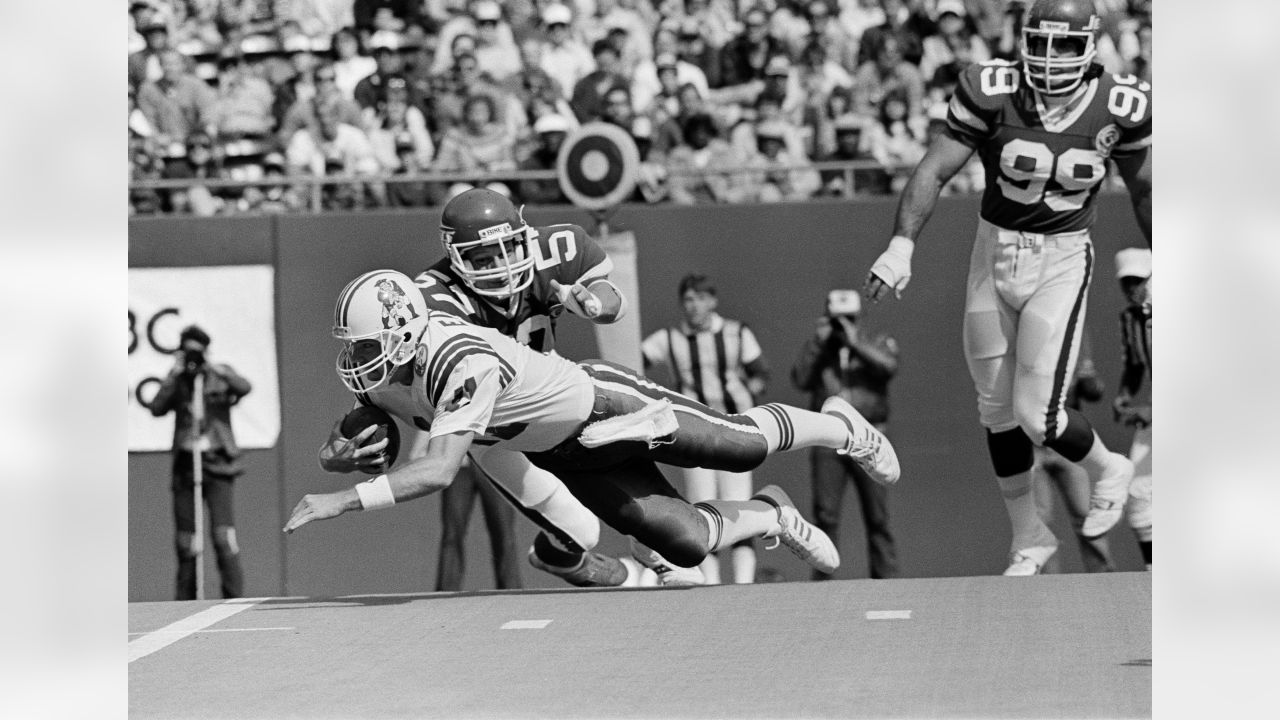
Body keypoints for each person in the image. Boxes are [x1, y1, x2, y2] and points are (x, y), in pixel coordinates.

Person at [286, 270, 904, 585]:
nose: (358, 356)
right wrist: (333, 458)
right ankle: (773, 516)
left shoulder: (459, 359)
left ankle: (841, 428)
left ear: (402, 328)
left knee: (739, 446)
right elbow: (356, 439)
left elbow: (441, 469)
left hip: (605, 408)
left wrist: (339, 501)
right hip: (563, 455)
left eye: (367, 341)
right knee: (684, 543)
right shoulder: (387, 372)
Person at [861, 0, 1151, 575]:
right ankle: (1029, 536)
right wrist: (901, 244)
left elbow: (1145, 191)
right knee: (994, 408)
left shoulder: (1120, 104)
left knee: (1037, 412)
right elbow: (934, 168)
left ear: (1091, 46)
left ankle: (1109, 468)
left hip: (1063, 257)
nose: (1051, 57)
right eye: (1041, 42)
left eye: (1065, 45)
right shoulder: (992, 87)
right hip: (993, 249)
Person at [320, 189, 639, 587]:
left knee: (626, 446)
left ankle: (657, 552)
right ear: (456, 256)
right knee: (577, 530)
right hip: (486, 433)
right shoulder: (431, 299)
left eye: (505, 249)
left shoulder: (559, 248)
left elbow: (609, 296)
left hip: (543, 402)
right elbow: (395, 373)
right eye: (482, 257)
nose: (498, 266)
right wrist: (353, 443)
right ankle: (541, 566)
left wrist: (594, 303)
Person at [641, 274, 771, 584]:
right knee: (702, 507)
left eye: (700, 298)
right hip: (693, 432)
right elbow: (632, 362)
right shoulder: (669, 338)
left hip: (734, 429)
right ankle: (711, 583)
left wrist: (746, 398)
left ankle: (743, 583)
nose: (694, 306)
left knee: (738, 506)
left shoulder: (736, 333)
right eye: (688, 299)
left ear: (712, 301)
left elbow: (760, 373)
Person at [791, 289, 900, 580]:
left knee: (878, 518)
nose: (843, 325)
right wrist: (818, 342)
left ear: (859, 317)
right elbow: (800, 378)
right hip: (828, 440)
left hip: (869, 438)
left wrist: (855, 343)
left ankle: (886, 583)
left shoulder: (876, 341)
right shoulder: (820, 349)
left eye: (848, 318)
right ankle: (822, 585)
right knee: (825, 517)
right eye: (837, 320)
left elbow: (889, 366)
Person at [147, 325, 253, 600]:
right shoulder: (179, 380)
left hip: (217, 463)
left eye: (198, 351)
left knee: (222, 536)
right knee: (187, 542)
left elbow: (244, 387)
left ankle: (233, 600)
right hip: (186, 463)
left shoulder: (218, 375)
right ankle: (185, 604)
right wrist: (174, 374)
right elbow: (157, 408)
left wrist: (213, 367)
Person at [1031, 334, 1116, 573]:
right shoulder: (1022, 341)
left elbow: (1093, 391)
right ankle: (1048, 589)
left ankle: (1104, 581)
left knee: (1086, 515)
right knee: (1039, 522)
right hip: (1031, 446)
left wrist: (1088, 377)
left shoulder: (1075, 338)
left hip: (1067, 445)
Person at [1112, 247, 1152, 570]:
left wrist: (1152, 411)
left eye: (1139, 281)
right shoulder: (1130, 319)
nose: (1133, 289)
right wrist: (1124, 395)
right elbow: (1136, 366)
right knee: (1138, 496)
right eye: (1127, 282)